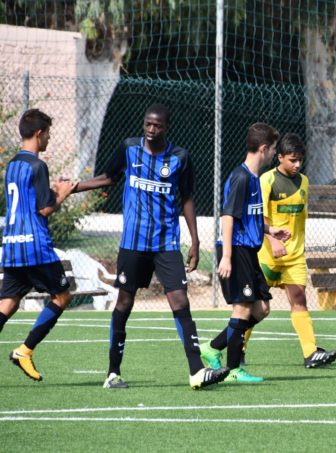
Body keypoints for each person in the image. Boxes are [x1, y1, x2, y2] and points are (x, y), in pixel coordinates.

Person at [74, 103, 228, 390]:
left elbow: (187, 198)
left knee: (180, 300)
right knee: (124, 302)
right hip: (133, 243)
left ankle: (197, 371)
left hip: (166, 242)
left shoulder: (180, 157)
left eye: (157, 126)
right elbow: (108, 177)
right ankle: (112, 373)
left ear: (166, 128)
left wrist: (194, 240)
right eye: (147, 124)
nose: (151, 130)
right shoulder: (129, 149)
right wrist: (75, 186)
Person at [199, 122, 290, 383]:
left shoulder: (253, 178)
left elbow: (248, 217)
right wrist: (226, 256)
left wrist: (271, 231)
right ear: (263, 149)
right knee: (241, 310)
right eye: (273, 149)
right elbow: (228, 217)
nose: (273, 154)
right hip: (236, 250)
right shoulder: (240, 178)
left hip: (248, 251)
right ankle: (234, 370)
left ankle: (214, 347)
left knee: (261, 309)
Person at [0, 109, 76, 381]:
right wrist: (62, 193)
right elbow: (44, 209)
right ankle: (25, 351)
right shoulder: (37, 165)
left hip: (11, 245)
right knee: (62, 296)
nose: (49, 139)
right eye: (48, 134)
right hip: (36, 247)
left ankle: (24, 352)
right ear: (38, 133)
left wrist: (52, 192)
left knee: (7, 304)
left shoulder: (12, 165)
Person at [254, 132, 336, 368]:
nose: (297, 164)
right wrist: (273, 240)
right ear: (279, 157)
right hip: (268, 254)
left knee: (299, 299)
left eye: (300, 159)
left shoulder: (304, 181)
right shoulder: (266, 180)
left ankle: (311, 353)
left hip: (294, 256)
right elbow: (256, 218)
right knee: (256, 307)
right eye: (292, 160)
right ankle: (239, 350)